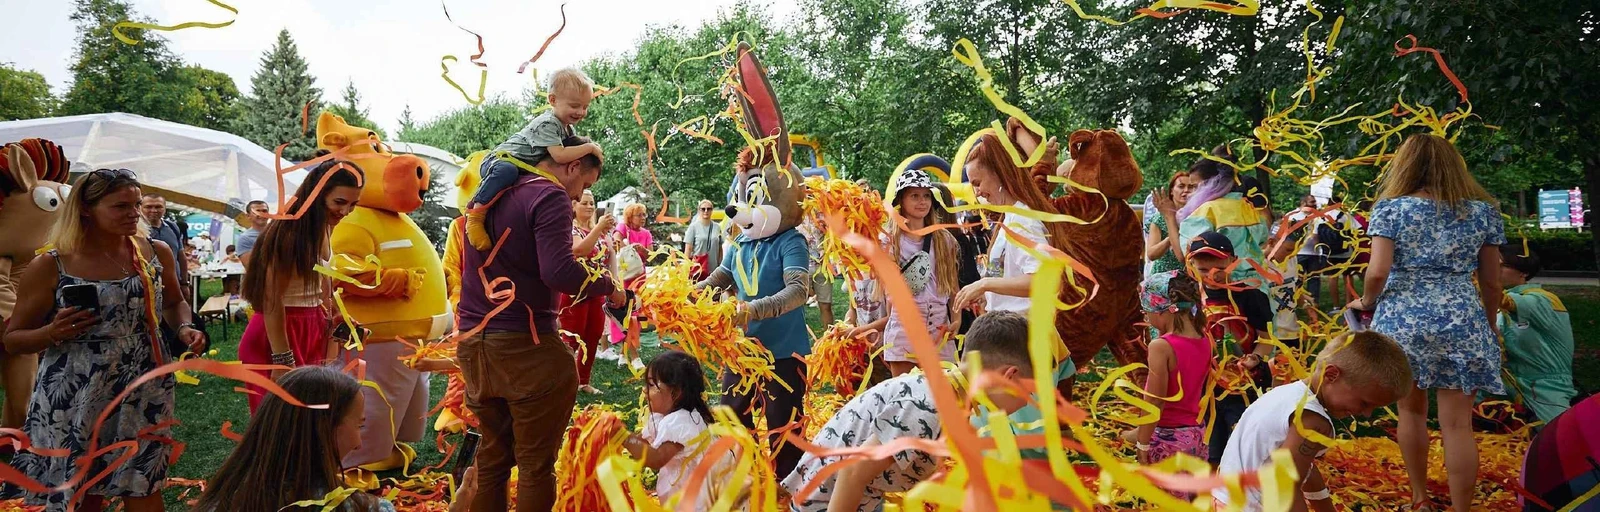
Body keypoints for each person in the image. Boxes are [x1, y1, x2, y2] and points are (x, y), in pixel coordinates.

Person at [1, 168, 205, 512]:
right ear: (85, 208)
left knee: (144, 484)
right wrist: (50, 333)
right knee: (83, 493)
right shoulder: (52, 264)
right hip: (77, 392)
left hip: (145, 386)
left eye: (137, 204)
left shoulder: (154, 252)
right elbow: (14, 340)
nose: (134, 213)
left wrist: (183, 326)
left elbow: (173, 302)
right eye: (121, 206)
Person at [455, 135, 622, 512]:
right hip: (524, 345)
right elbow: (559, 270)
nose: (580, 194)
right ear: (572, 165)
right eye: (585, 184)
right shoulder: (548, 194)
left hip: (474, 340)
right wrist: (609, 286)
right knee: (535, 465)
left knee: (494, 459)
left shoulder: (494, 189)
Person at [1346, 133, 1506, 512]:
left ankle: (1419, 499)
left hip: (1403, 318)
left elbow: (1377, 272)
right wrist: (1488, 324)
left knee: (1411, 412)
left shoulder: (1391, 209)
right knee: (1458, 425)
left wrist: (1367, 302)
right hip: (1461, 317)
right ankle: (1461, 508)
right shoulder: (1483, 212)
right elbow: (1492, 281)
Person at [782, 311, 1039, 512]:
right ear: (1009, 376)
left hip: (862, 497)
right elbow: (852, 473)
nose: (1027, 403)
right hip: (828, 503)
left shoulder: (948, 393)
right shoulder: (927, 407)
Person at [194, 366, 477, 512]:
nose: (358, 442)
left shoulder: (223, 498)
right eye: (359, 425)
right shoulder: (360, 508)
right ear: (325, 431)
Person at [1212, 331, 1413, 512]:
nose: (1367, 414)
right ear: (1331, 375)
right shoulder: (1312, 421)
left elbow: (1304, 468)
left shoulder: (1289, 394)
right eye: (1364, 403)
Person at [238, 158, 364, 411]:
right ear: (316, 193)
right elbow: (271, 300)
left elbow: (321, 289)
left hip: (309, 328)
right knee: (280, 424)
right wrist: (282, 361)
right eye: (339, 202)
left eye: (352, 204)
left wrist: (336, 318)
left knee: (310, 420)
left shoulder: (324, 226)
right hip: (279, 334)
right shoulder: (288, 232)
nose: (345, 211)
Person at [465, 67, 603, 250]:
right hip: (500, 160)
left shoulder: (568, 129)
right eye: (575, 106)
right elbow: (560, 156)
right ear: (552, 100)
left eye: (585, 107)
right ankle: (475, 214)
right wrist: (590, 148)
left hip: (522, 166)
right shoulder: (548, 123)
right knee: (507, 171)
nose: (581, 112)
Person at [858, 170, 961, 374]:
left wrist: (956, 320)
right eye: (914, 195)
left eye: (926, 196)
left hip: (939, 328)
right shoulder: (888, 240)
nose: (922, 201)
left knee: (945, 397)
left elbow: (952, 286)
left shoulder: (944, 239)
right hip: (905, 326)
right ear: (901, 200)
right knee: (906, 398)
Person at [1124, 271, 1211, 493]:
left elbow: (1155, 401)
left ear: (1162, 311)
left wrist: (1142, 442)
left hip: (1168, 441)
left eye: (1146, 312)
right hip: (1197, 436)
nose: (1147, 319)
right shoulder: (1205, 339)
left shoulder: (1161, 346)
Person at [621, 351, 718, 510]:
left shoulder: (681, 423)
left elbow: (656, 459)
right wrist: (623, 438)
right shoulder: (666, 417)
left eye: (652, 385)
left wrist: (624, 437)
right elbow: (645, 445)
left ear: (676, 392)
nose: (644, 390)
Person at [1495, 248, 1576, 424]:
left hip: (1546, 387)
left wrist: (1479, 281)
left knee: (1557, 438)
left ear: (1524, 271)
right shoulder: (1498, 307)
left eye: (1500, 265)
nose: (1493, 269)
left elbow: (1504, 301)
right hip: (1508, 385)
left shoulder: (1543, 299)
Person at [561, 190, 617, 395]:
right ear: (573, 207)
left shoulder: (599, 231)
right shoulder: (570, 228)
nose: (590, 206)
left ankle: (583, 381)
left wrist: (615, 286)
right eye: (584, 203)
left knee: (593, 336)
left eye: (592, 203)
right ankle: (563, 383)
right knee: (572, 338)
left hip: (597, 290)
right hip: (576, 291)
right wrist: (599, 229)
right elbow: (579, 250)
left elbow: (611, 257)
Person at [608, 202, 653, 367]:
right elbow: (616, 241)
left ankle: (623, 353)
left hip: (639, 279)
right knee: (625, 314)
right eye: (639, 215)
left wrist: (642, 251)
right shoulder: (622, 227)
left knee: (637, 315)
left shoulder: (646, 233)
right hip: (624, 278)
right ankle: (634, 357)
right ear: (630, 216)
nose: (643, 218)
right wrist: (629, 247)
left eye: (644, 215)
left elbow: (650, 255)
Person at [1145, 172, 1197, 275]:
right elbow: (1151, 254)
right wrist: (1171, 238)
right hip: (1163, 276)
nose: (1186, 190)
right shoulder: (1160, 217)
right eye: (1181, 186)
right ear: (1172, 191)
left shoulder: (1197, 216)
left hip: (1189, 276)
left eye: (1191, 187)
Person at [141, 193, 189, 294]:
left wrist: (184, 284)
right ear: (140, 208)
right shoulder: (136, 230)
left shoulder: (172, 227)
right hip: (148, 288)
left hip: (175, 286)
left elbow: (181, 256)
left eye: (158, 206)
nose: (154, 210)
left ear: (165, 209)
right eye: (148, 207)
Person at [684, 199, 723, 282]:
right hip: (698, 269)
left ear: (712, 211)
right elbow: (688, 249)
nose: (706, 211)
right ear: (699, 210)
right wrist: (686, 267)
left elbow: (720, 248)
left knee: (713, 293)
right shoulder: (693, 227)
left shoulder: (717, 227)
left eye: (709, 209)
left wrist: (721, 265)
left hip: (713, 270)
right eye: (703, 209)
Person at [236, 200, 269, 266]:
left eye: (264, 211)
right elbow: (250, 266)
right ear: (248, 216)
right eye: (257, 211)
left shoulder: (278, 234)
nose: (261, 214)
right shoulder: (245, 238)